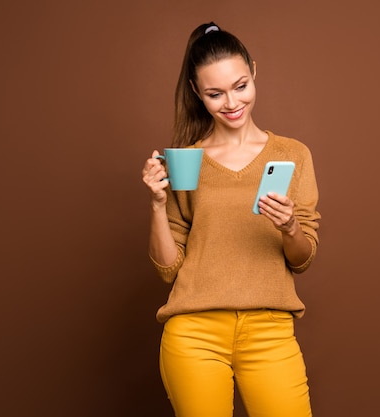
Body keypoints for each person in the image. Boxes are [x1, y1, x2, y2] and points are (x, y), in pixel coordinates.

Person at [141, 22, 320, 417]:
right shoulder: (186, 161)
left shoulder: (292, 154)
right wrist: (157, 203)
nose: (231, 103)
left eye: (240, 86)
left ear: (254, 71)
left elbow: (302, 259)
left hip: (269, 329)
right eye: (214, 93)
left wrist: (290, 226)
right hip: (193, 331)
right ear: (195, 91)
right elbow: (168, 269)